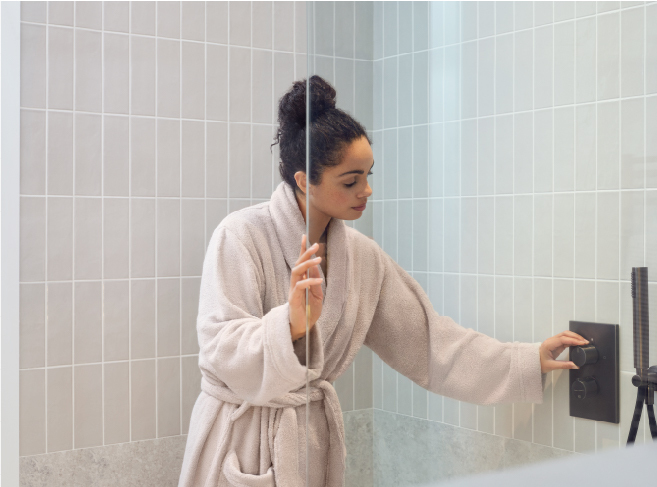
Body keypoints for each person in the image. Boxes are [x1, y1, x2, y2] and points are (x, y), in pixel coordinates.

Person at [177, 75, 589, 487]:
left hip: (307, 444)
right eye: (350, 181)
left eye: (368, 175)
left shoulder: (362, 258)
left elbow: (431, 343)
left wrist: (526, 359)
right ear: (305, 181)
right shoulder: (241, 235)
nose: (367, 190)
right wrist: (291, 324)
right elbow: (220, 348)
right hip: (244, 441)